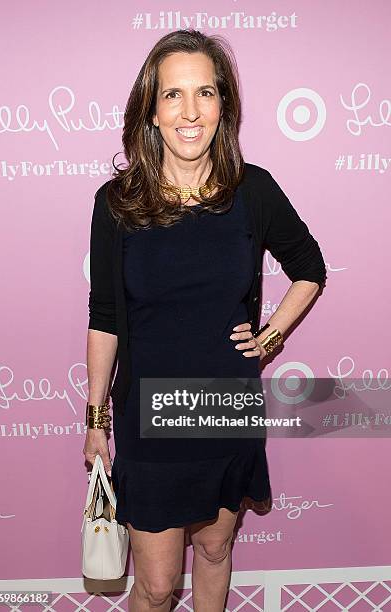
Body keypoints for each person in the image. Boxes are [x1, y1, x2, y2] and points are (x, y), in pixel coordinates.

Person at [83, 29, 326, 612]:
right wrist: (96, 418)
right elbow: (106, 316)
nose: (190, 112)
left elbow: (309, 267)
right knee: (158, 586)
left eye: (206, 93)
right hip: (148, 414)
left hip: (224, 405)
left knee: (215, 554)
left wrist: (269, 337)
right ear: (151, 109)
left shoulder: (254, 191)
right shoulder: (117, 202)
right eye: (173, 95)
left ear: (225, 106)